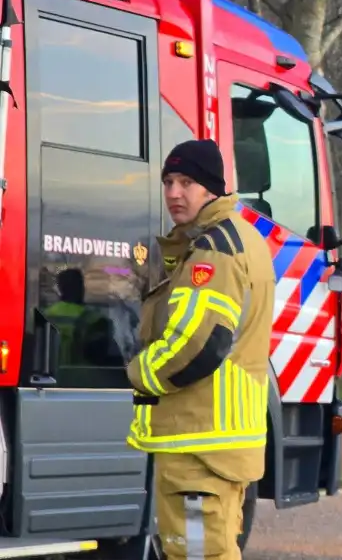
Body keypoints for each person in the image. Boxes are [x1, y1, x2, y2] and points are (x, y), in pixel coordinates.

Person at [125, 139, 276, 559]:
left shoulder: (214, 250)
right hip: (218, 445)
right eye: (168, 181)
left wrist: (137, 372)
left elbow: (198, 345)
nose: (174, 192)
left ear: (211, 188)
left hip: (199, 445)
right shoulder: (241, 238)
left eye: (186, 182)